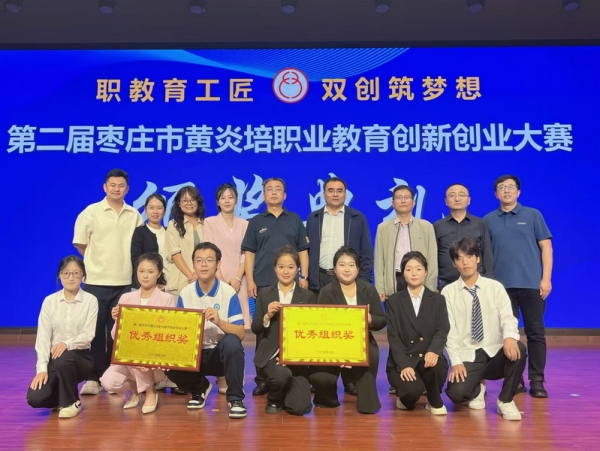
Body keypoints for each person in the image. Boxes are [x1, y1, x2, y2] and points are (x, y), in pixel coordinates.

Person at [73, 168, 143, 395]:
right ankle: (93, 377)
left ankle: (114, 375)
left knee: (119, 333)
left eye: (121, 186)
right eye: (112, 185)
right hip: (96, 281)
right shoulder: (91, 212)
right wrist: (96, 262)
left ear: (127, 189)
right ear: (105, 187)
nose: (116, 189)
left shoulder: (134, 214)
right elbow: (80, 243)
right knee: (94, 332)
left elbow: (139, 246)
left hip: (124, 283)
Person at [442, 238, 526, 421]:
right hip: (468, 354)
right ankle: (477, 387)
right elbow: (449, 331)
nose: (465, 262)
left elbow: (508, 318)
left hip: (495, 352)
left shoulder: (494, 287)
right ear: (454, 263)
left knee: (519, 348)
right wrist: (455, 361)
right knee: (456, 394)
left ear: (478, 258)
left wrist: (509, 337)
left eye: (469, 256)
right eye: (459, 258)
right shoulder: (448, 292)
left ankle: (506, 400)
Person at [484, 175, 552, 398]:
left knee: (535, 333)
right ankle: (516, 379)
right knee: (507, 334)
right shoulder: (488, 220)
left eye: (511, 187)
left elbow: (546, 247)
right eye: (501, 188)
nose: (506, 191)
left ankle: (537, 380)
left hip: (532, 285)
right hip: (501, 289)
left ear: (518, 192)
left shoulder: (533, 215)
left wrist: (546, 279)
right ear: (496, 194)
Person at [241, 177, 310, 396]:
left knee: (294, 329)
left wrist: (304, 276)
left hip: (292, 284)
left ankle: (293, 369)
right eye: (269, 189)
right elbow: (249, 253)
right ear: (263, 195)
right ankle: (262, 379)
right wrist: (250, 280)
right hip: (263, 283)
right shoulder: (255, 221)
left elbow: (303, 250)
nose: (273, 192)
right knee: (263, 331)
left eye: (278, 189)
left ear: (285, 195)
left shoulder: (295, 219)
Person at [306, 176, 373, 396]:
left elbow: (365, 253)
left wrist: (362, 282)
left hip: (349, 280)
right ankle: (323, 376)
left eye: (339, 190)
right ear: (324, 193)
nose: (335, 194)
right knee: (322, 330)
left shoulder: (357, 217)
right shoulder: (314, 218)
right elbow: (307, 251)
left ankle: (350, 379)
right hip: (320, 279)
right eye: (331, 190)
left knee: (347, 331)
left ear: (346, 194)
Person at [167, 242, 248, 419]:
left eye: (209, 260)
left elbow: (241, 333)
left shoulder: (228, 292)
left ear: (218, 264)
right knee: (168, 356)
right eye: (199, 260)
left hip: (219, 355)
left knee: (232, 342)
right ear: (193, 264)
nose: (204, 265)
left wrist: (219, 322)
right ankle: (199, 389)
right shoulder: (185, 294)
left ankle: (235, 399)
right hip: (194, 354)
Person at [309, 246, 387, 414]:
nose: (346, 269)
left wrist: (371, 319)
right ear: (334, 269)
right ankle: (327, 397)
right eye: (342, 265)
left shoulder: (368, 289)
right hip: (333, 345)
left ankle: (366, 399)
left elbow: (382, 320)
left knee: (369, 357)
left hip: (362, 344)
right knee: (321, 377)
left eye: (351, 265)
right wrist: (341, 353)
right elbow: (321, 326)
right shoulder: (326, 292)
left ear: (358, 269)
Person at [100, 253, 176, 414]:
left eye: (150, 271)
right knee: (108, 381)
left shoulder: (167, 299)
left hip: (154, 361)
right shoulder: (126, 297)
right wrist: (117, 320)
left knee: (137, 353)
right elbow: (116, 337)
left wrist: (146, 355)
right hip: (129, 359)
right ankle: (135, 390)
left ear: (159, 274)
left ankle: (150, 391)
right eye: (141, 271)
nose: (145, 276)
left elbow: (168, 335)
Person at [27, 256, 98, 418]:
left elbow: (88, 335)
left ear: (83, 276)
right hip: (55, 359)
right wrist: (41, 370)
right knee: (36, 398)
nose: (71, 278)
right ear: (60, 275)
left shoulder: (90, 300)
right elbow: (43, 338)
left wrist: (66, 344)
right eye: (66, 273)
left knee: (64, 359)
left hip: (81, 359)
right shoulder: (49, 301)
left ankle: (72, 402)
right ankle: (60, 397)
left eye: (76, 273)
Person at [252, 246, 315, 415]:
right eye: (281, 267)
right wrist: (267, 316)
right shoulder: (265, 294)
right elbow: (255, 327)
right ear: (275, 268)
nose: (286, 271)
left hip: (296, 357)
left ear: (297, 269)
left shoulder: (307, 296)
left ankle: (287, 392)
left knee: (300, 408)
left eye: (291, 267)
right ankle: (274, 399)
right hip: (271, 355)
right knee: (280, 375)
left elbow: (311, 332)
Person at [386, 251, 449, 415]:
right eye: (408, 269)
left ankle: (433, 399)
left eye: (418, 269)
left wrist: (434, 351)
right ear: (403, 273)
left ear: (426, 272)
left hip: (427, 358)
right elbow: (393, 337)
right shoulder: (393, 301)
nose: (414, 273)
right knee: (411, 394)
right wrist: (404, 364)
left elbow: (442, 329)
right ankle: (404, 397)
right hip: (404, 359)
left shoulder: (438, 299)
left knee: (436, 366)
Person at [204, 183, 250, 395]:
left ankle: (234, 373)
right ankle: (221, 375)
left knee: (236, 327)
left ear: (236, 200)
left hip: (239, 280)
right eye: (223, 197)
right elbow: (210, 252)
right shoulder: (210, 222)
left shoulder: (245, 224)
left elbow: (246, 254)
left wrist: (238, 277)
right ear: (217, 201)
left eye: (231, 197)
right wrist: (221, 279)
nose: (227, 200)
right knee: (218, 323)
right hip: (217, 279)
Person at [374, 184, 438, 301]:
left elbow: (432, 259)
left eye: (407, 197)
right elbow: (379, 260)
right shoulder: (383, 228)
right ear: (393, 203)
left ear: (413, 202)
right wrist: (380, 288)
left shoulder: (426, 226)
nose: (403, 201)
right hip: (395, 279)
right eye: (399, 197)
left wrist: (430, 287)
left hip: (419, 278)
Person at [434, 183, 494, 291]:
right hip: (446, 284)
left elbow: (487, 254)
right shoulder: (438, 226)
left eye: (461, 195)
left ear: (469, 200)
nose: (457, 199)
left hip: (477, 284)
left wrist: (488, 281)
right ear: (446, 201)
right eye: (452, 195)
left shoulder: (480, 224)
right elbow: (434, 256)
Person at [165, 186, 206, 297]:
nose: (189, 203)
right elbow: (175, 254)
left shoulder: (205, 224)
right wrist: (191, 276)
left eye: (192, 200)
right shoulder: (173, 225)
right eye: (185, 200)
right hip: (181, 283)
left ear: (198, 202)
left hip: (203, 282)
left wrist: (199, 275)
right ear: (179, 203)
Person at [130, 193, 172, 291]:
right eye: (151, 208)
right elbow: (136, 260)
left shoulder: (169, 232)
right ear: (146, 209)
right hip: (144, 285)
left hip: (168, 284)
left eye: (159, 208)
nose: (155, 211)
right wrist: (154, 281)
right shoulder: (140, 232)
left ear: (164, 210)